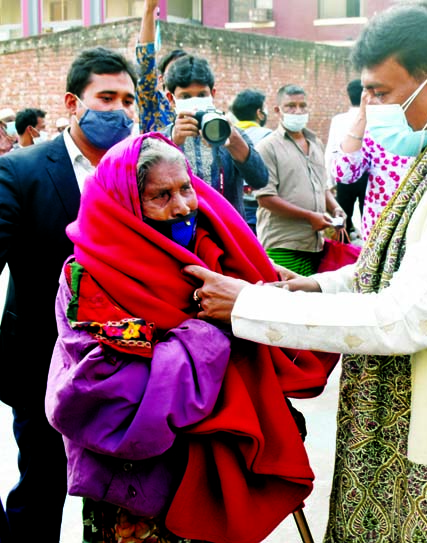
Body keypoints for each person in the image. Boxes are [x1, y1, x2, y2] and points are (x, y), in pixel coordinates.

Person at [186, 2, 427, 541]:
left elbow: (404, 317)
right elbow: (398, 265)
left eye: (381, 94)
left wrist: (248, 305)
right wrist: (312, 285)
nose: (371, 109)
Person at [45, 132, 337, 543]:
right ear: (123, 207)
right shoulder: (90, 279)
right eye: (160, 196)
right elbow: (110, 394)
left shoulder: (221, 253)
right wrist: (215, 329)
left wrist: (257, 299)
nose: (182, 206)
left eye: (186, 188)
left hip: (219, 471)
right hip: (142, 485)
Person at [0, 46, 137, 542]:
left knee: (120, 502)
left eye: (127, 99)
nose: (118, 110)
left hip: (127, 365)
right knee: (41, 493)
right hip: (43, 363)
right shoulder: (23, 170)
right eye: (106, 97)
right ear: (72, 103)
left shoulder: (143, 172)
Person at [254, 84, 346, 276]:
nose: (298, 111)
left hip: (314, 244)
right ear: (278, 110)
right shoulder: (267, 147)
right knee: (285, 298)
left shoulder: (315, 143)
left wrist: (335, 208)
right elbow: (266, 198)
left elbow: (323, 187)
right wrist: (309, 216)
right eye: (291, 106)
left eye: (303, 106)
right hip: (283, 243)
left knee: (308, 301)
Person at [163, 54, 268, 218]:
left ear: (212, 94)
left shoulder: (230, 133)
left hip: (227, 232)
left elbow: (260, 180)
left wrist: (234, 141)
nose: (195, 102)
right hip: (180, 232)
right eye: (186, 96)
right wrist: (172, 144)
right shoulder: (160, 140)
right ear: (171, 99)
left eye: (202, 94)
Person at [328, 79, 415, 241]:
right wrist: (362, 115)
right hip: (380, 237)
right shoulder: (376, 133)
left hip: (419, 233)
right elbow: (344, 173)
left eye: (382, 93)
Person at [325, 79, 369, 238]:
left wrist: (330, 181)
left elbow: (331, 151)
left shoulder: (339, 120)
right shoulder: (373, 119)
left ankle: (343, 249)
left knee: (343, 218)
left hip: (344, 176)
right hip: (368, 176)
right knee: (368, 218)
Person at [136, 0, 186, 133]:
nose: (180, 77)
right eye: (173, 72)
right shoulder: (155, 105)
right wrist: (149, 11)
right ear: (161, 79)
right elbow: (145, 66)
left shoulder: (203, 109)